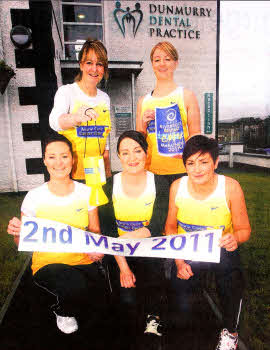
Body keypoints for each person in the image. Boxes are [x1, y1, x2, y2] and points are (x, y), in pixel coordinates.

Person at [7, 134, 108, 335]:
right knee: (76, 287)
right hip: (48, 263)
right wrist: (16, 232)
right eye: (52, 157)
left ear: (73, 159)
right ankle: (62, 310)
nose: (59, 163)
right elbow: (23, 242)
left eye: (64, 156)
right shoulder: (33, 197)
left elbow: (95, 232)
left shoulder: (87, 193)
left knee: (100, 304)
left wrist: (98, 250)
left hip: (82, 260)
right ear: (44, 160)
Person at [164, 135, 251, 350]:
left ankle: (230, 331)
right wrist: (178, 262)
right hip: (189, 251)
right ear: (185, 166)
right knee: (183, 308)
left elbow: (244, 230)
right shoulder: (177, 186)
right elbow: (170, 228)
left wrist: (236, 238)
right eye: (191, 163)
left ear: (216, 162)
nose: (197, 169)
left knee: (231, 282)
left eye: (204, 162)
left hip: (221, 250)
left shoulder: (230, 187)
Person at [105, 130, 168, 346]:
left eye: (137, 151)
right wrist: (123, 267)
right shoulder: (109, 185)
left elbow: (158, 225)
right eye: (125, 153)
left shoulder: (159, 183)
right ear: (119, 157)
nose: (132, 158)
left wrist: (128, 238)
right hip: (119, 254)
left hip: (150, 250)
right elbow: (109, 233)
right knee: (128, 302)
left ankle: (154, 317)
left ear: (146, 153)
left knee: (153, 289)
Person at [136, 41, 201, 186]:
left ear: (176, 63)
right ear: (152, 65)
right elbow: (138, 142)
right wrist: (143, 126)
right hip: (151, 172)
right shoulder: (143, 102)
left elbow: (195, 138)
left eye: (167, 59)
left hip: (181, 172)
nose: (162, 64)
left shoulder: (187, 96)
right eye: (157, 60)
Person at [49, 38, 111, 181]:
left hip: (95, 170)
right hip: (71, 171)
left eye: (99, 64)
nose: (94, 69)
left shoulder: (104, 98)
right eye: (89, 62)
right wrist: (75, 118)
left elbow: (104, 135)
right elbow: (54, 122)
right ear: (81, 65)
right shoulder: (67, 91)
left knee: (95, 203)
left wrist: (106, 164)